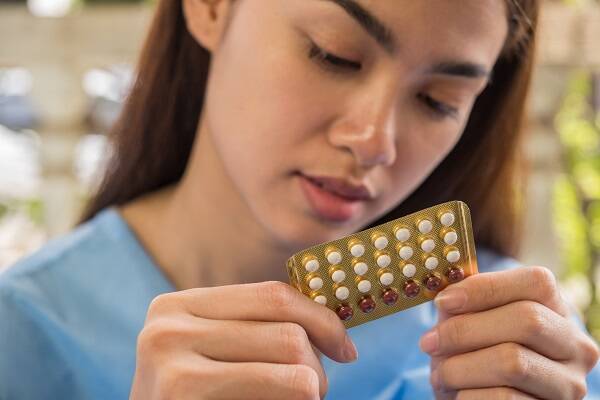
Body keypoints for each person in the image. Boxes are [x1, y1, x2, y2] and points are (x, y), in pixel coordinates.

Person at [1, 0, 599, 398]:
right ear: (211, 7)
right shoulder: (23, 335)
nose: (374, 142)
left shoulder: (529, 347)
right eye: (332, 54)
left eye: (438, 100)